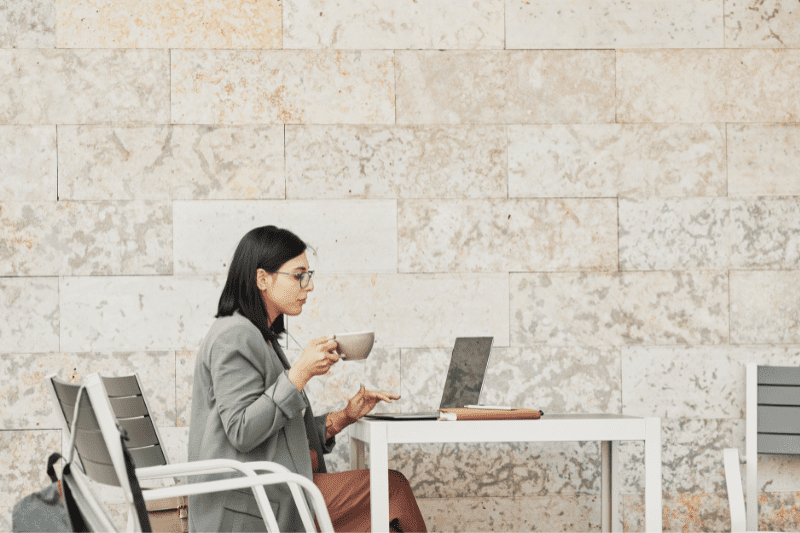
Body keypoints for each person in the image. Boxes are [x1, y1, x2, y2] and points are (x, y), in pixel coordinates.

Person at [188, 225, 427, 532]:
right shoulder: (234, 335)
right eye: (299, 275)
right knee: (391, 489)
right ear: (263, 279)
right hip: (251, 503)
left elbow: (277, 431)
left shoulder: (257, 336)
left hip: (271, 488)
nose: (309, 286)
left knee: (387, 505)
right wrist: (299, 373)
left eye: (308, 275)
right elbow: (242, 430)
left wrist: (342, 418)